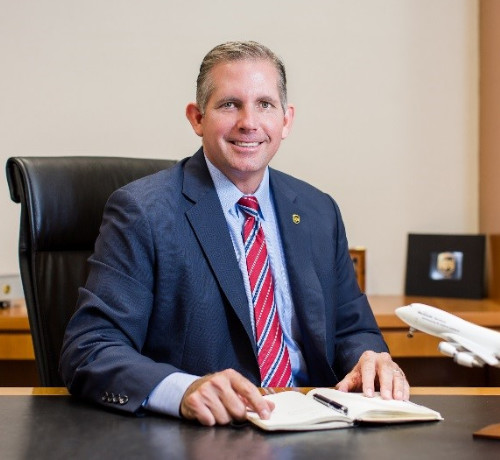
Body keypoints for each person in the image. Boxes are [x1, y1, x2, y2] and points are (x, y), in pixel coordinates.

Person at [60, 41, 409, 426]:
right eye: (229, 104)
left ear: (286, 120)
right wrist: (184, 391)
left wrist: (368, 357)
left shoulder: (317, 210)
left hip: (320, 431)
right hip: (209, 434)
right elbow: (90, 349)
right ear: (196, 118)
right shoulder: (143, 211)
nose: (249, 122)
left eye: (265, 104)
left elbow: (352, 327)